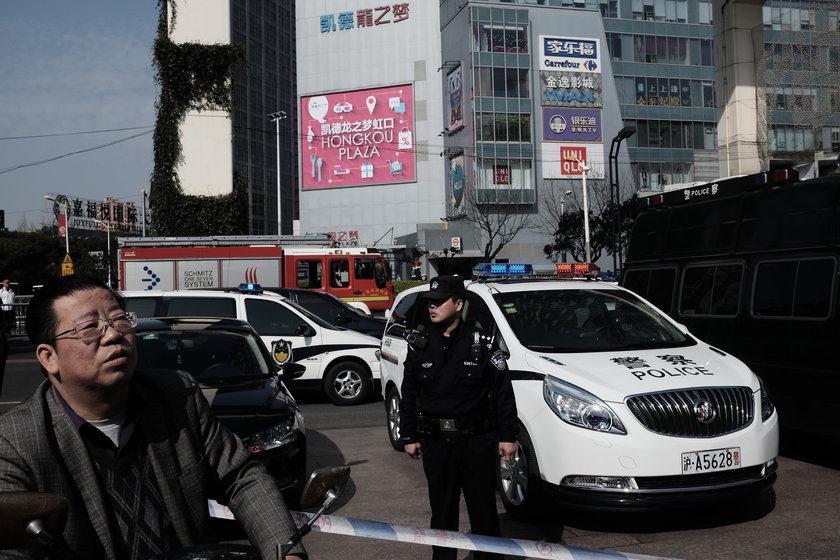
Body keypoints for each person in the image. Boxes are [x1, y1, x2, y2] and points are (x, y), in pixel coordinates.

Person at [0, 275, 305, 560]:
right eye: (89, 328)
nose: (112, 334)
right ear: (48, 357)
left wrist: (286, 551)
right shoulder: (16, 443)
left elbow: (242, 476)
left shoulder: (177, 396)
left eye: (119, 319)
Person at [399, 276, 517, 560]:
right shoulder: (420, 344)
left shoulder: (483, 343)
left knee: (484, 513)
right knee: (442, 513)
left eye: (440, 302)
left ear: (459, 304)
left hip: (476, 441)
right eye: (430, 302)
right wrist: (410, 435)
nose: (433, 307)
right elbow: (409, 393)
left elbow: (502, 392)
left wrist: (507, 436)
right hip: (437, 443)